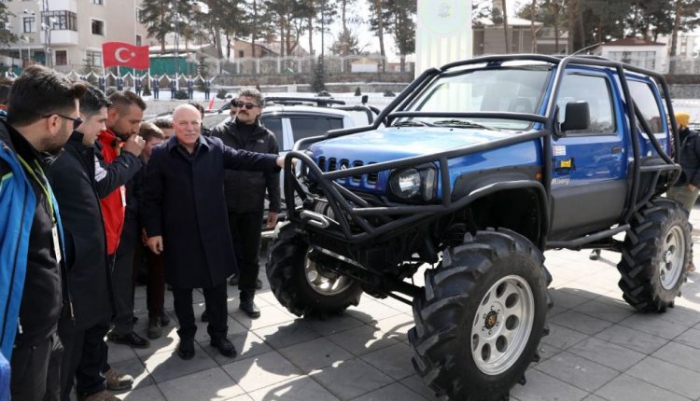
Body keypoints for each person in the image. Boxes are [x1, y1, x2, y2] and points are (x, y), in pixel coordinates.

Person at [143, 104, 286, 360]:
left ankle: (219, 335)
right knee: (183, 292)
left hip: (213, 233)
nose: (190, 128)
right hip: (179, 235)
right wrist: (154, 231)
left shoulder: (215, 148)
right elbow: (151, 198)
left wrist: (276, 160)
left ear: (201, 123)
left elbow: (244, 158)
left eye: (194, 122)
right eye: (183, 123)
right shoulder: (161, 155)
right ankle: (186, 337)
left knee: (217, 289)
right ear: (174, 126)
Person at [0, 65, 86, 401]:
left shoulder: (30, 158)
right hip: (17, 340)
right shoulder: (6, 171)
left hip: (46, 326)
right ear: (53, 121)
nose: (74, 130)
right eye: (74, 122)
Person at [48, 85, 134, 401]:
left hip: (92, 264)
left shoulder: (80, 151)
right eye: (99, 120)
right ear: (77, 117)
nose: (103, 127)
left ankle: (91, 386)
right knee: (67, 350)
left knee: (93, 330)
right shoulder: (55, 158)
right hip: (73, 274)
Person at [212, 89, 277, 313]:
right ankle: (215, 303)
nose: (242, 108)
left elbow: (272, 173)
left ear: (260, 110)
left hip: (252, 205)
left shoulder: (267, 137)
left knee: (250, 256)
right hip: (222, 204)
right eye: (240, 103)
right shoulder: (219, 132)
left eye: (249, 105)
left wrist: (275, 206)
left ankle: (247, 299)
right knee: (219, 255)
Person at [97, 91, 150, 350]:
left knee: (123, 278)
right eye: (133, 122)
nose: (137, 128)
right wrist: (129, 156)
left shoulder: (122, 142)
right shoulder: (95, 143)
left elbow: (134, 187)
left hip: (124, 223)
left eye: (140, 121)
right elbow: (104, 184)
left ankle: (123, 323)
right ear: (112, 114)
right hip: (99, 230)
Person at [132, 122, 169, 339]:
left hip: (155, 228)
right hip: (135, 227)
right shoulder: (132, 162)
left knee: (158, 274)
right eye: (154, 144)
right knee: (131, 274)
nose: (158, 148)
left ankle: (156, 314)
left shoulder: (161, 162)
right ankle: (124, 319)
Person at [667, 111, 700, 272]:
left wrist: (695, 183)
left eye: (672, 122)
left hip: (688, 187)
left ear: (681, 122)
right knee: (672, 221)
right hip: (673, 184)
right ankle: (681, 258)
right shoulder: (672, 138)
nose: (669, 125)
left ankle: (688, 261)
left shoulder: (695, 139)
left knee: (682, 220)